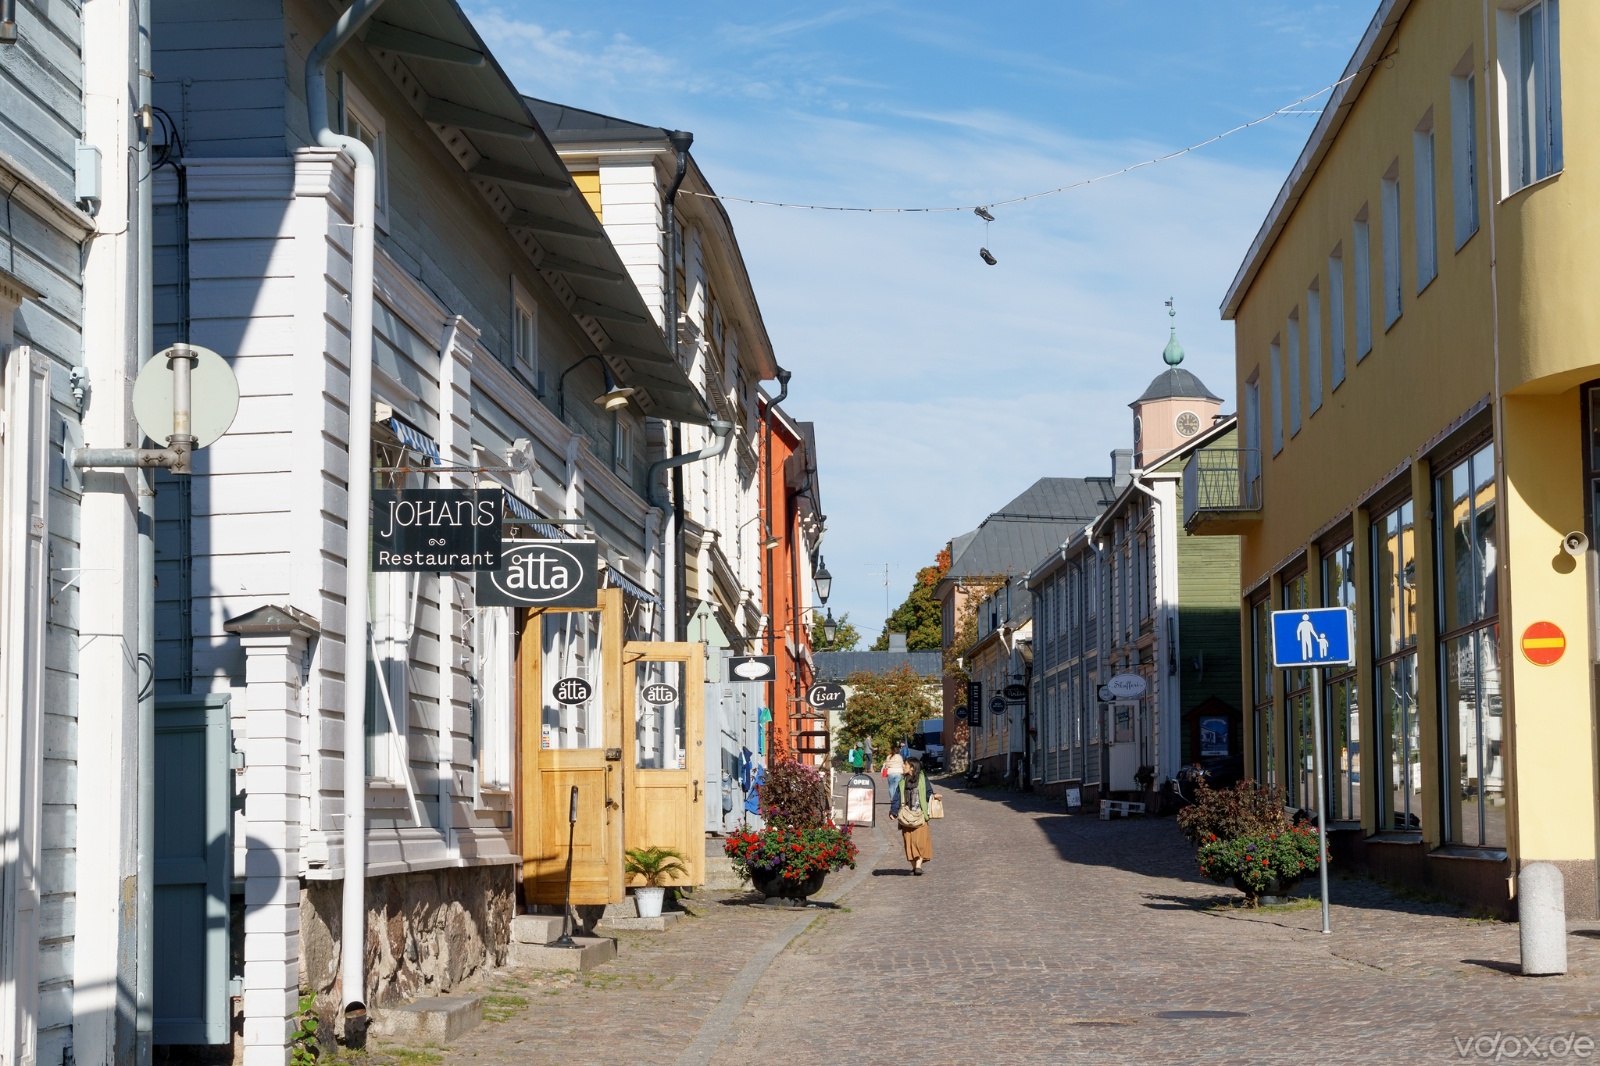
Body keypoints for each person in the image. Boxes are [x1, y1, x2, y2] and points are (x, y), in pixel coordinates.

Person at [899, 757, 935, 875]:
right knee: (909, 842)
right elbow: (897, 796)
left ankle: (918, 865)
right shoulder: (903, 781)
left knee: (920, 842)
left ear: (912, 767)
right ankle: (915, 867)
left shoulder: (922, 779)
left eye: (905, 765)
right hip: (906, 817)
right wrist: (893, 811)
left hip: (920, 815)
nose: (903, 767)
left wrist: (934, 797)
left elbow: (929, 792)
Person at [882, 750, 906, 817]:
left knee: (891, 786)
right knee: (896, 787)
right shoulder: (899, 756)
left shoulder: (889, 757)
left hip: (890, 772)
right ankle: (895, 799)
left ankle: (892, 798)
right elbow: (902, 764)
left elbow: (886, 764)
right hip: (898, 772)